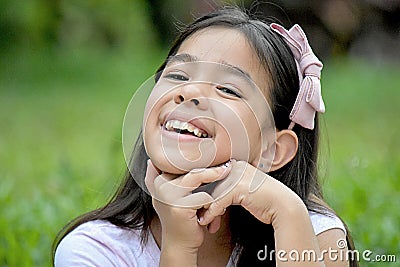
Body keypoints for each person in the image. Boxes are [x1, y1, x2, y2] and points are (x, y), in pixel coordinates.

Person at [53, 6, 358, 267]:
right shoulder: (95, 251)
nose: (189, 92)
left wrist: (288, 212)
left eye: (228, 89)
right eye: (177, 76)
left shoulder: (313, 234)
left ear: (272, 149)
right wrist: (179, 248)